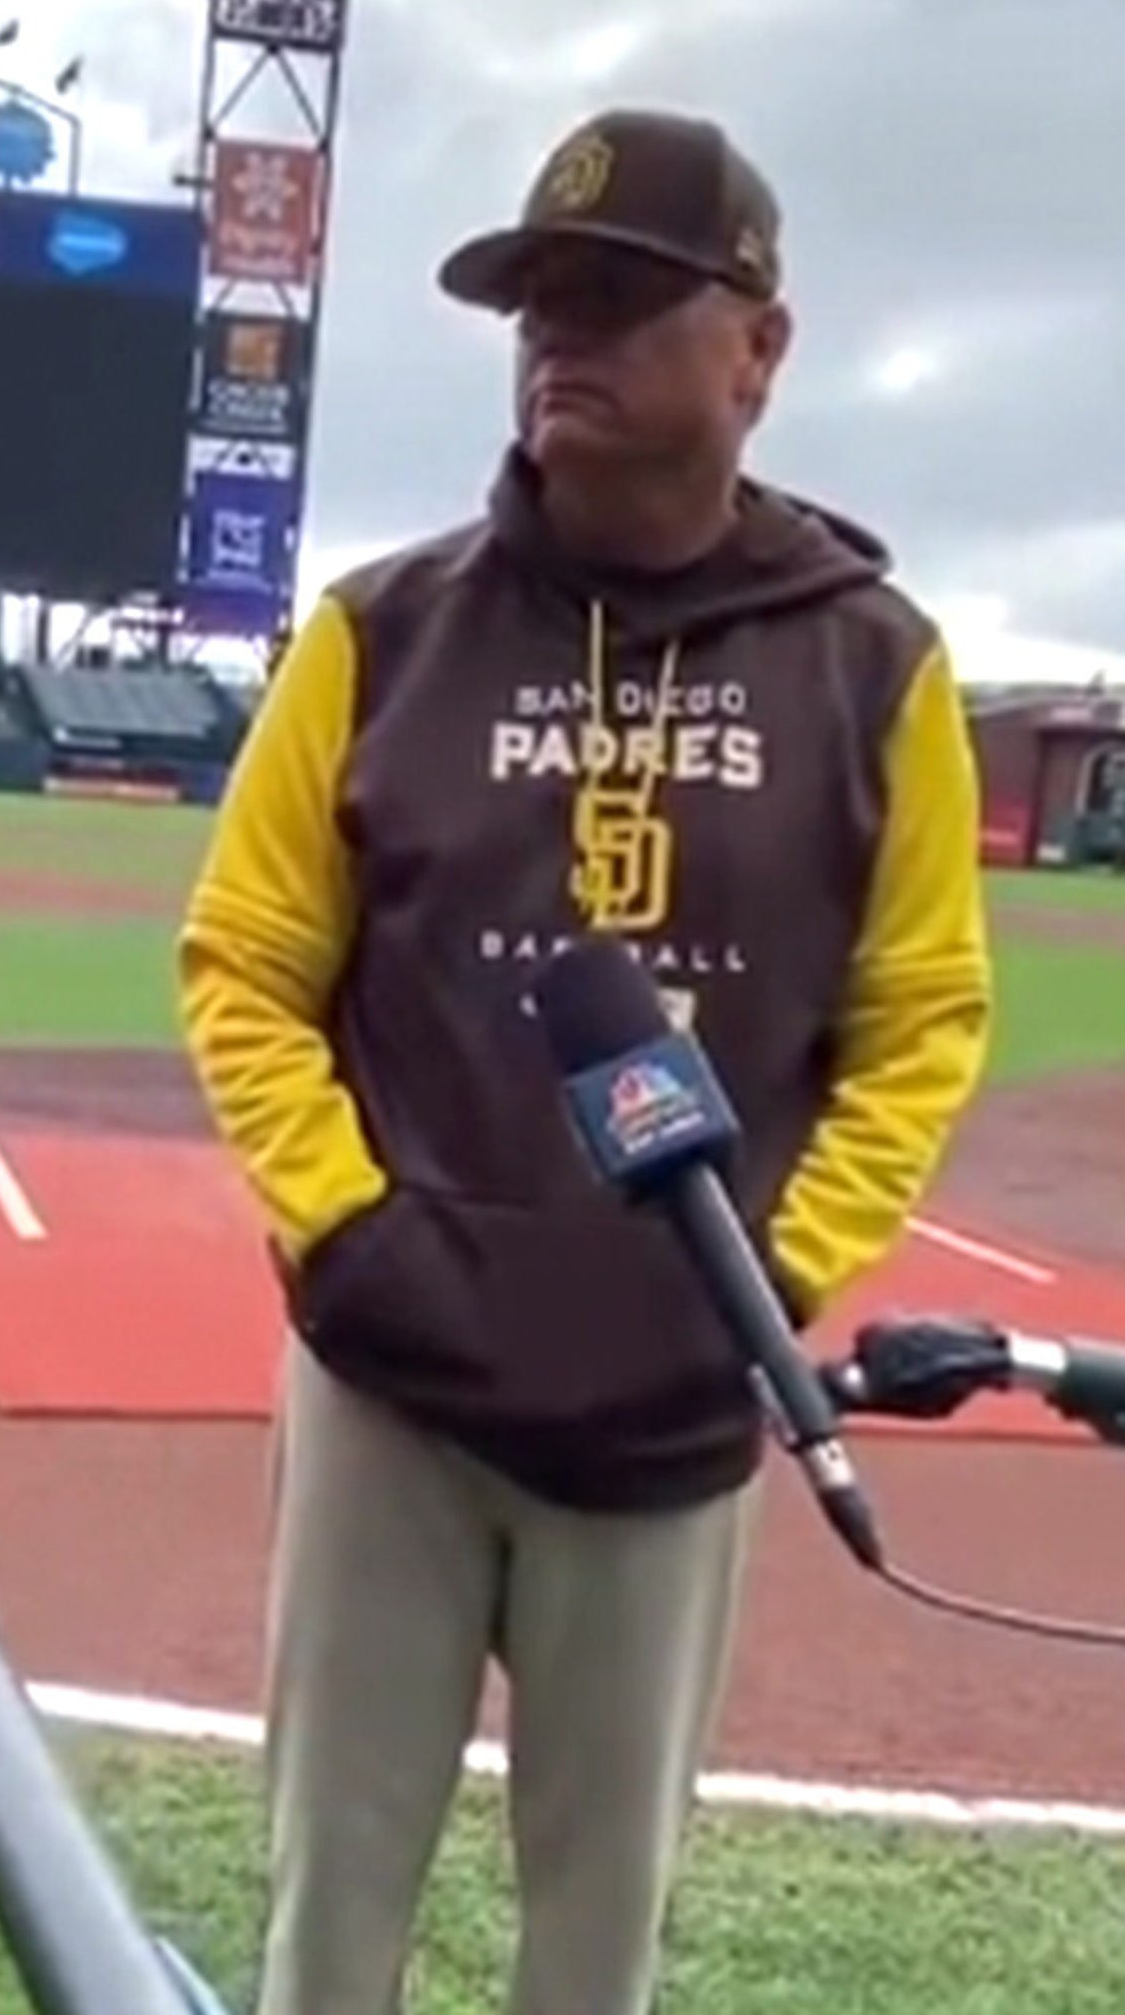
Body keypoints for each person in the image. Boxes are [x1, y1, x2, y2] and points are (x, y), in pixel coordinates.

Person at [178, 107, 992, 2015]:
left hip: (672, 1404)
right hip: (391, 1382)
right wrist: (348, 1230)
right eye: (540, 304)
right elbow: (245, 961)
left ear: (758, 348)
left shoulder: (879, 666)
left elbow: (921, 1017)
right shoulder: (379, 633)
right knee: (326, 1929)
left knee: (595, 1947)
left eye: (621, 302)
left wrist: (770, 1281)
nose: (564, 342)